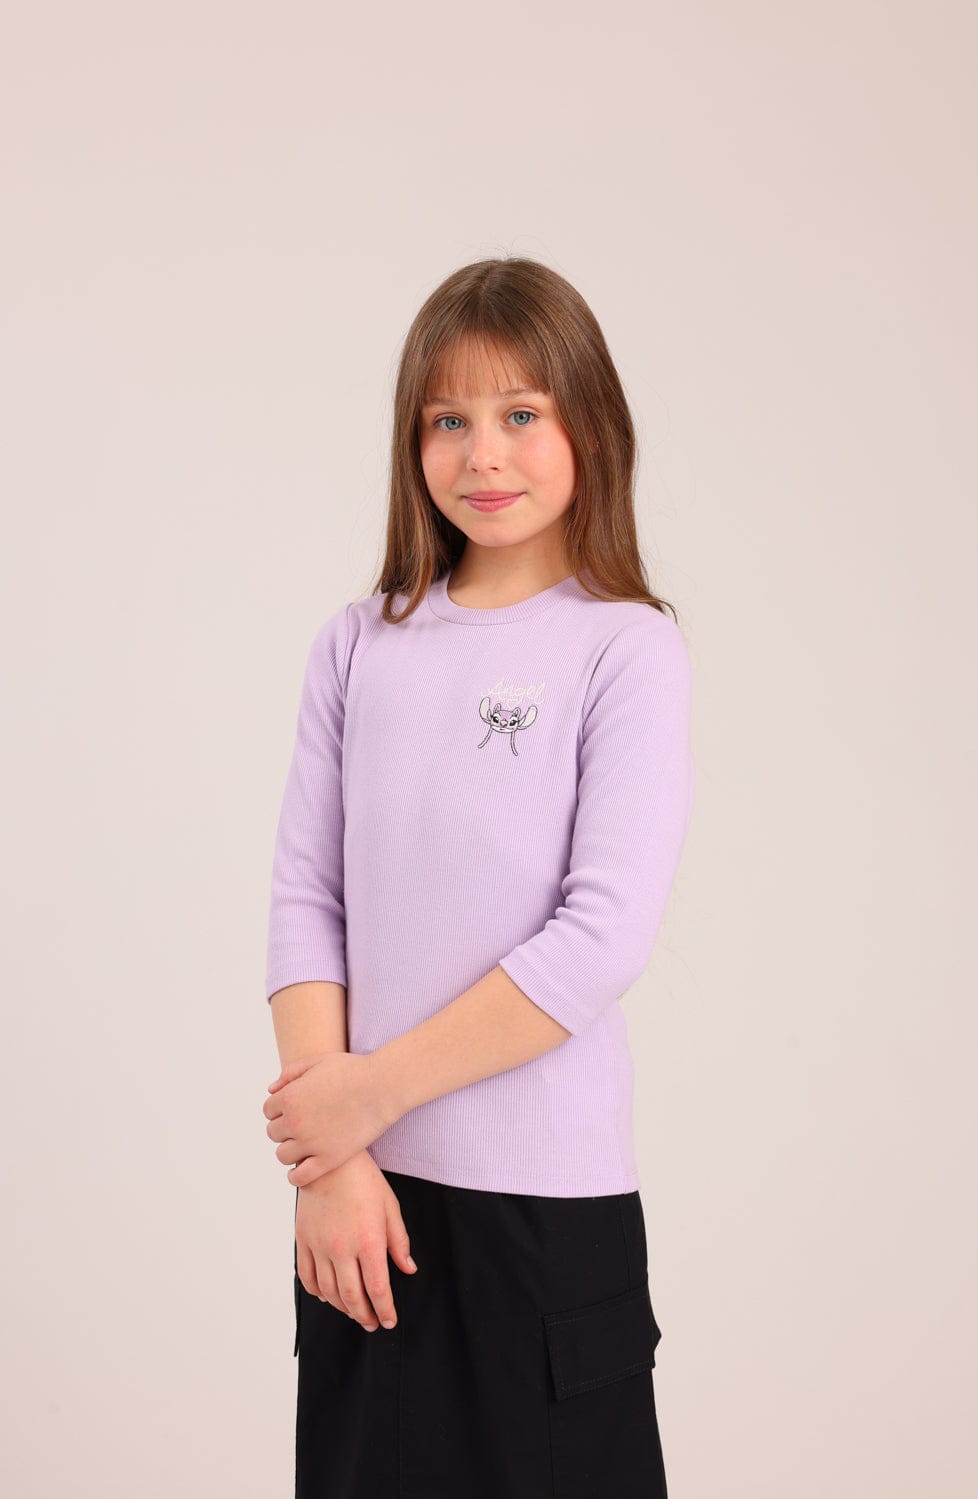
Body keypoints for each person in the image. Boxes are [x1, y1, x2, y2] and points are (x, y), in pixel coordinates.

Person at [261, 255, 695, 1498]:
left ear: (589, 426)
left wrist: (364, 1096)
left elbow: (599, 937)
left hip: (543, 1214)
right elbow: (307, 900)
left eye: (520, 413)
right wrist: (333, 1161)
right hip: (365, 1206)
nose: (482, 454)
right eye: (447, 419)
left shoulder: (625, 647)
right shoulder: (359, 642)